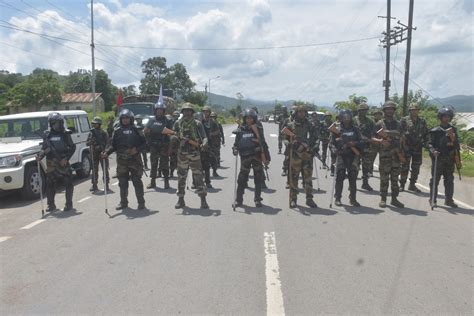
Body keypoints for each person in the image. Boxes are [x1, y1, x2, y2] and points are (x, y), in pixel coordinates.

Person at [102, 109, 146, 210]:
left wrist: (137, 149)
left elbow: (144, 143)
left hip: (134, 160)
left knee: (136, 181)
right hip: (122, 161)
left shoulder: (137, 130)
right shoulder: (117, 131)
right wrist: (106, 153)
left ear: (131, 119)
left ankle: (141, 202)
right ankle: (123, 202)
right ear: (120, 119)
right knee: (122, 182)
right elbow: (113, 146)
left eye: (127, 118)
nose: (125, 120)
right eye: (123, 118)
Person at [36, 112, 76, 212]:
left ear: (61, 123)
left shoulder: (65, 133)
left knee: (68, 182)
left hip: (63, 161)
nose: (55, 125)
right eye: (53, 123)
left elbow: (72, 147)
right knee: (50, 183)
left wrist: (66, 159)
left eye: (56, 123)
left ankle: (69, 204)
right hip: (51, 162)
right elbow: (44, 148)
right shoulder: (47, 135)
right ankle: (51, 205)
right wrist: (40, 156)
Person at [173, 103, 209, 209]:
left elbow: (204, 137)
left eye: (189, 111)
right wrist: (175, 140)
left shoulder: (197, 123)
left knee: (198, 177)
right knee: (181, 177)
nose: (187, 113)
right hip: (182, 154)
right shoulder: (177, 124)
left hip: (194, 154)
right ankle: (180, 199)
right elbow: (172, 136)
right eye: (185, 111)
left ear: (192, 112)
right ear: (182, 112)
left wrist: (205, 143)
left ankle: (203, 199)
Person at [371, 101, 405, 208]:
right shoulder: (378, 124)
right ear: (384, 110)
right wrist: (381, 141)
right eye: (387, 109)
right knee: (384, 178)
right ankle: (383, 199)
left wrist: (401, 150)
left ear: (394, 111)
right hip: (384, 155)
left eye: (391, 109)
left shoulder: (399, 124)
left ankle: (394, 199)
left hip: (396, 154)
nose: (390, 111)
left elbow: (403, 137)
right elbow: (372, 137)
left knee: (395, 179)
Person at [284, 105, 318, 208]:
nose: (302, 114)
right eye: (299, 112)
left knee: (308, 178)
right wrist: (289, 144)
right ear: (296, 113)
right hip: (295, 155)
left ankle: (309, 199)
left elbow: (316, 138)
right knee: (294, 178)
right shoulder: (290, 125)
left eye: (303, 112)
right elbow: (284, 138)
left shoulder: (310, 125)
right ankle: (293, 199)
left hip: (307, 155)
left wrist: (314, 148)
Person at [232, 109, 268, 207]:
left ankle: (257, 199)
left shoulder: (258, 128)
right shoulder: (240, 129)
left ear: (254, 118)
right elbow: (236, 142)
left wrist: (266, 158)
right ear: (244, 119)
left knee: (258, 179)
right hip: (245, 157)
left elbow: (263, 142)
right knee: (242, 179)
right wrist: (235, 149)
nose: (249, 120)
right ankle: (239, 200)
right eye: (247, 118)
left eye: (251, 118)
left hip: (256, 156)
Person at [428, 108, 461, 208]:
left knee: (449, 180)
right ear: (440, 117)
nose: (446, 118)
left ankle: (449, 200)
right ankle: (432, 200)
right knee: (435, 180)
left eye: (448, 116)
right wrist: (433, 151)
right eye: (444, 116)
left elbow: (457, 145)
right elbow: (429, 144)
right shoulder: (435, 131)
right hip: (438, 159)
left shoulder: (453, 130)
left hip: (450, 159)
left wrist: (458, 159)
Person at [330, 110, 362, 206]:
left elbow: (361, 141)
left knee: (353, 176)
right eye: (344, 116)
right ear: (340, 118)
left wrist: (354, 143)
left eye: (348, 116)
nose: (346, 118)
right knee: (340, 176)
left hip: (353, 155)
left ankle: (353, 199)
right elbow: (331, 143)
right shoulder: (336, 129)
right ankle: (338, 198)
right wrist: (335, 150)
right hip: (341, 155)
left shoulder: (355, 129)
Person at [399, 103, 429, 192]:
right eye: (412, 110)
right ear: (410, 111)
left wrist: (427, 143)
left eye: (416, 110)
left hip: (418, 147)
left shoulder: (422, 121)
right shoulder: (404, 120)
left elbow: (426, 133)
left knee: (416, 167)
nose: (414, 111)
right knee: (404, 166)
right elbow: (400, 132)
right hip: (406, 147)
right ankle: (402, 184)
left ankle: (412, 185)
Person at [144, 101, 173, 189]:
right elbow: (146, 131)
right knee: (153, 164)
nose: (159, 112)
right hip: (154, 145)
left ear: (163, 111)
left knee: (164, 164)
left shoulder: (167, 120)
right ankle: (152, 182)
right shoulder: (151, 120)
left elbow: (172, 133)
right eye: (158, 110)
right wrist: (146, 133)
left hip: (164, 145)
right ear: (155, 111)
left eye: (161, 110)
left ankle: (166, 182)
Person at [354, 103, 376, 191]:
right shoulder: (353, 120)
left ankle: (365, 183)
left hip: (367, 146)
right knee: (354, 166)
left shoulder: (370, 121)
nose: (363, 112)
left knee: (366, 166)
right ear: (358, 111)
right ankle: (353, 183)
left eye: (365, 110)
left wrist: (370, 139)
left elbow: (374, 133)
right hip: (355, 147)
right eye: (361, 110)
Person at [86, 117, 110, 192]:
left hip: (102, 153)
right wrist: (91, 142)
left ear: (99, 124)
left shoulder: (103, 132)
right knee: (94, 170)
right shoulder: (91, 133)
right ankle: (94, 184)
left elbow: (108, 143)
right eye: (93, 124)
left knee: (105, 169)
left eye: (96, 124)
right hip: (94, 154)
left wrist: (105, 151)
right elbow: (87, 143)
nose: (94, 125)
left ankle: (106, 184)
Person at [202, 106, 221, 178]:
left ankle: (214, 171)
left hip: (211, 143)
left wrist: (211, 134)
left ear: (209, 113)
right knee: (202, 160)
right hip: (202, 143)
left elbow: (218, 131)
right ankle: (203, 173)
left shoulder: (213, 122)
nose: (205, 113)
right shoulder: (200, 121)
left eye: (207, 112)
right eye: (204, 112)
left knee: (213, 158)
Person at [169, 111, 181, 177]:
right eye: (174, 116)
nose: (175, 117)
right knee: (172, 158)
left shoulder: (180, 122)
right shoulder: (169, 122)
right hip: (171, 142)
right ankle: (171, 172)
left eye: (177, 116)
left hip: (179, 142)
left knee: (179, 159)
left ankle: (179, 173)